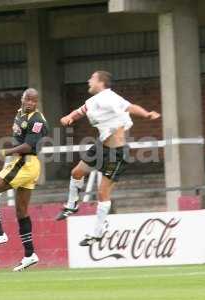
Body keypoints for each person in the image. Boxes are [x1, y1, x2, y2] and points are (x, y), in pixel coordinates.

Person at [55, 70, 161, 246]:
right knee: (77, 172)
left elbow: (130, 107)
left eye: (92, 78)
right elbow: (81, 110)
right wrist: (70, 117)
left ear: (101, 82)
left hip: (116, 153)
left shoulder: (111, 98)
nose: (89, 80)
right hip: (101, 146)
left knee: (102, 193)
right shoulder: (94, 100)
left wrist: (147, 114)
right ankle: (72, 205)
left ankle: (97, 233)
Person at [0, 88, 48, 271]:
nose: (30, 103)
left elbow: (28, 146)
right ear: (22, 99)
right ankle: (29, 255)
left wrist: (4, 152)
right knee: (21, 211)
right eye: (28, 99)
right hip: (24, 164)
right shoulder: (19, 114)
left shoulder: (37, 120)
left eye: (34, 101)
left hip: (25, 163)